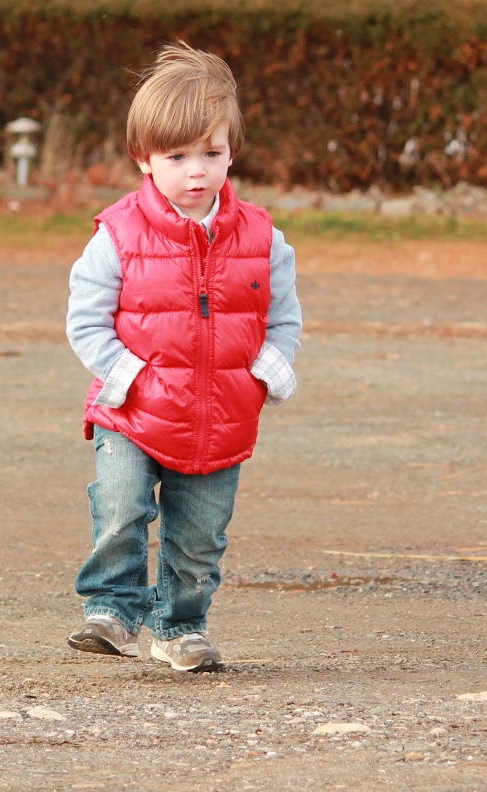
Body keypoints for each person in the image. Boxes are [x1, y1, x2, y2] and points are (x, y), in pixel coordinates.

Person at [64, 43, 302, 672]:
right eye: (177, 157)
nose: (196, 172)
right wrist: (127, 374)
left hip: (221, 415)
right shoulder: (118, 234)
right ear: (144, 158)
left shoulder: (262, 238)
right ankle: (111, 610)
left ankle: (180, 626)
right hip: (132, 408)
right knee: (121, 508)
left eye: (211, 154)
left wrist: (266, 374)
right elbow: (85, 319)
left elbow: (284, 317)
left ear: (231, 152)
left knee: (200, 538)